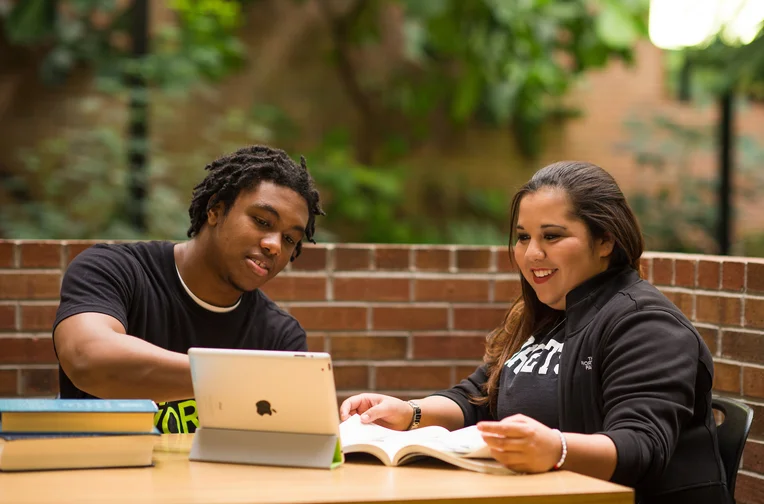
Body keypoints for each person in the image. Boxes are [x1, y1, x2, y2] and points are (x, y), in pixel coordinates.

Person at [340, 161, 728, 504]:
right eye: (524, 237)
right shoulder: (546, 315)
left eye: (552, 236)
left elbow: (641, 448)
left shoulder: (645, 323)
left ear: (606, 240)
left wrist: (555, 449)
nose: (531, 254)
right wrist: (410, 412)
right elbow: (477, 398)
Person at [53, 145, 324, 434]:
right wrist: (248, 376)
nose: (274, 245)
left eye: (290, 239)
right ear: (215, 210)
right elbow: (88, 357)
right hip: (99, 474)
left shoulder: (279, 336)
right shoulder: (113, 270)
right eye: (261, 221)